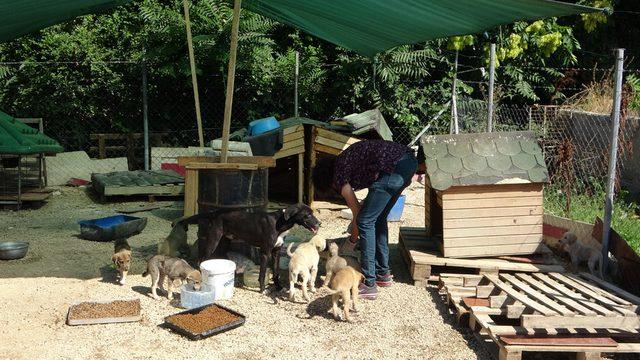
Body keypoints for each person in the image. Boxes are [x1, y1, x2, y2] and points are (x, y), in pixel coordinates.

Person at [313, 139, 419, 299]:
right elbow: (363, 207)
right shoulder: (346, 162)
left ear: (326, 180)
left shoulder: (338, 175)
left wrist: (351, 242)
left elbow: (357, 213)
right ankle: (382, 273)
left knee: (366, 221)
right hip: (407, 162)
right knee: (379, 217)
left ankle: (369, 283)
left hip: (395, 166)